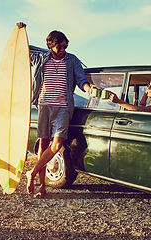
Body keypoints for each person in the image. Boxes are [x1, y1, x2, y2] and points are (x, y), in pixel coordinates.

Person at [16, 22, 91, 198]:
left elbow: (81, 80)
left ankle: (32, 173)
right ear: (51, 45)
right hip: (44, 106)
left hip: (63, 108)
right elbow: (22, 52)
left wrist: (88, 89)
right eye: (59, 46)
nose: (63, 49)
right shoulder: (42, 58)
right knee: (43, 145)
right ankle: (42, 187)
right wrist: (20, 31)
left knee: (56, 145)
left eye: (65, 45)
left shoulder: (72, 60)